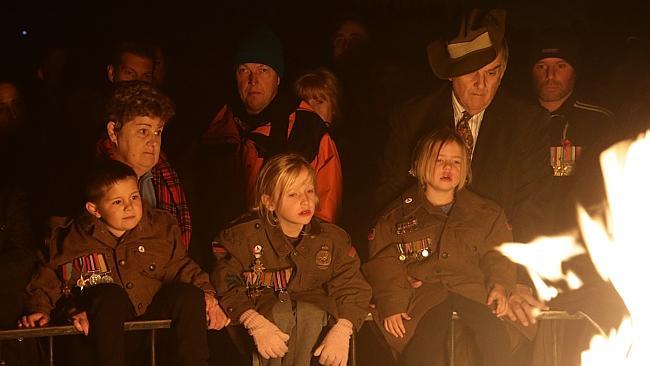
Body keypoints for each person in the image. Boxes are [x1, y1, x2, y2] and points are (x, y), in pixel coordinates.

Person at [19, 159, 229, 366]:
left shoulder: (159, 228)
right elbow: (47, 278)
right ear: (95, 209)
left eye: (134, 197)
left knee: (189, 295)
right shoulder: (69, 238)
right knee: (110, 294)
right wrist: (39, 309)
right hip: (101, 333)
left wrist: (208, 296)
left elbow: (181, 266)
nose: (130, 207)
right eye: (117, 202)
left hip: (149, 328)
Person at [364, 130, 514, 366]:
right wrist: (392, 303)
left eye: (456, 162)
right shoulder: (395, 217)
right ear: (421, 164)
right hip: (424, 297)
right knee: (423, 349)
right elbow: (383, 264)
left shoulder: (487, 214)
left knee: (495, 339)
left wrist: (500, 285)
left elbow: (500, 254)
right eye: (439, 160)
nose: (448, 168)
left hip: (472, 290)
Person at [211, 153, 371, 366]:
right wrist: (252, 320)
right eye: (293, 194)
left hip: (311, 334)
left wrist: (344, 328)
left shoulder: (332, 239)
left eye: (309, 190)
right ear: (269, 202)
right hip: (262, 326)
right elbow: (226, 280)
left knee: (311, 311)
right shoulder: (243, 238)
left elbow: (353, 285)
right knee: (280, 312)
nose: (305, 200)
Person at [200, 25, 342, 225]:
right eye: (244, 70)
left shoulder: (307, 129)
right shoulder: (218, 125)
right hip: (227, 246)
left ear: (278, 78)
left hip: (284, 249)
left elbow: (325, 210)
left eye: (263, 70)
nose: (253, 80)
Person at [529, 27, 615, 234]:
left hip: (581, 232)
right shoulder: (515, 120)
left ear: (574, 72)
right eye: (542, 66)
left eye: (560, 66)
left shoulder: (599, 122)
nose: (551, 75)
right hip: (526, 230)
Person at [97, 80, 192, 248]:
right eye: (143, 131)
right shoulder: (94, 184)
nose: (153, 142)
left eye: (158, 132)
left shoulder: (165, 177)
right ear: (113, 132)